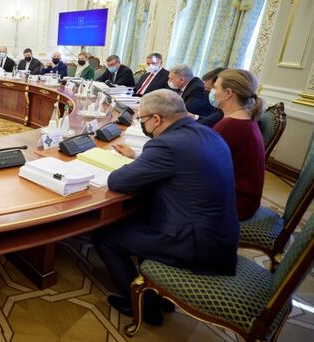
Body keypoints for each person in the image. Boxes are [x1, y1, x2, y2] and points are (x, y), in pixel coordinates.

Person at [95, 89, 238, 326]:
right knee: (137, 217)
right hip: (220, 234)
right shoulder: (207, 132)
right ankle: (157, 292)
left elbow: (117, 182)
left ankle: (142, 306)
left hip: (194, 242)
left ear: (156, 119)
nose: (142, 124)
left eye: (142, 119)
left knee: (105, 237)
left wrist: (131, 164)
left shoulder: (167, 144)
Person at [211, 69, 265, 220]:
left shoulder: (231, 125)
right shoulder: (246, 118)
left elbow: (206, 166)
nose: (212, 92)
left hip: (235, 203)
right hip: (244, 199)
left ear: (228, 93)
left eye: (215, 88)